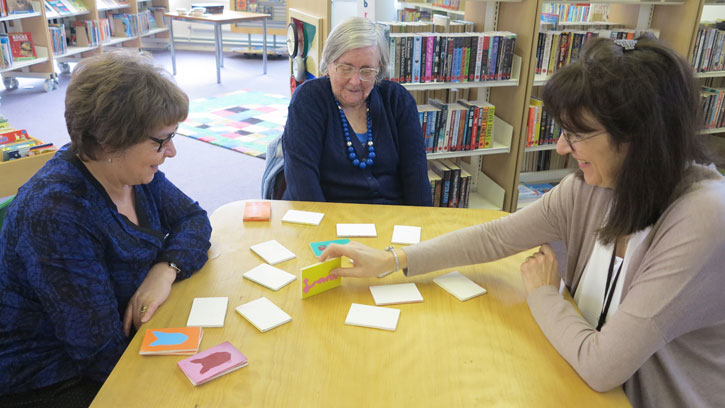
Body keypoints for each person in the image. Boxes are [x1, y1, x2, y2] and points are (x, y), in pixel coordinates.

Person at [320, 36, 725, 407]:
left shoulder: (702, 218)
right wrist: (392, 260)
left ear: (638, 136)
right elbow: (497, 236)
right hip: (575, 382)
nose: (563, 147)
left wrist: (544, 294)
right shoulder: (593, 186)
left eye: (577, 133)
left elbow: (603, 367)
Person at [0, 49, 212, 407]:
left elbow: (194, 219)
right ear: (110, 142)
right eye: (160, 141)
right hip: (51, 378)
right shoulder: (56, 213)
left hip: (120, 341)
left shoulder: (132, 172)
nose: (171, 152)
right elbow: (98, 352)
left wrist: (164, 270)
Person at [281, 16, 432, 206]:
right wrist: (329, 234)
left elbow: (417, 182)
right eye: (346, 68)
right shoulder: (308, 100)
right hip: (326, 217)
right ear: (329, 64)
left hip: (391, 219)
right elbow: (303, 186)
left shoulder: (398, 101)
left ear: (379, 70)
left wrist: (419, 230)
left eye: (367, 71)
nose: (355, 81)